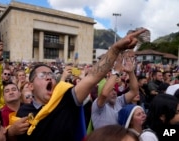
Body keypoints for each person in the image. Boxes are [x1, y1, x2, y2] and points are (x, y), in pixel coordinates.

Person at [15, 29, 146, 141]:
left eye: (52, 75)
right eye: (43, 75)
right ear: (30, 86)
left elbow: (92, 77)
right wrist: (10, 133)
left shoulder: (65, 100)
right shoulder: (23, 113)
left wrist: (115, 49)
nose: (49, 77)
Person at [91, 50, 139, 130]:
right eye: (111, 90)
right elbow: (104, 94)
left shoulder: (119, 102)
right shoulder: (98, 106)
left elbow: (134, 91)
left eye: (114, 90)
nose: (114, 92)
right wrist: (116, 71)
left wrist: (131, 73)